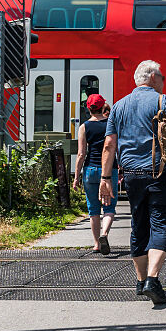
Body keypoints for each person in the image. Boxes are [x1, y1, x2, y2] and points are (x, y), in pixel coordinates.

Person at [99, 60, 166, 304]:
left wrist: (105, 178)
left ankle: (140, 282)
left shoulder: (118, 106)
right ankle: (152, 279)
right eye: (162, 76)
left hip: (130, 175)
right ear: (151, 77)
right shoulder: (163, 101)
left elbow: (109, 145)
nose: (163, 81)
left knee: (138, 225)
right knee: (162, 225)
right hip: (159, 173)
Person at [71, 93, 116, 255]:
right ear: (103, 106)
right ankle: (105, 234)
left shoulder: (84, 127)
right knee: (109, 208)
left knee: (93, 210)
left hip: (90, 170)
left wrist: (76, 177)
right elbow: (115, 148)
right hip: (110, 170)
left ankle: (97, 244)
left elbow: (81, 154)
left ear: (88, 108)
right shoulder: (111, 124)